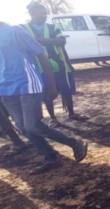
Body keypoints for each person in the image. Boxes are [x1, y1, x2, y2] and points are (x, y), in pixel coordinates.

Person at [0, 21, 88, 174]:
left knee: (32, 125)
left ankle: (74, 143)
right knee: (23, 127)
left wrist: (51, 83)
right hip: (6, 88)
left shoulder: (15, 31)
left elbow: (41, 55)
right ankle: (52, 158)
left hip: (27, 83)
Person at [24, 2, 88, 127]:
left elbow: (62, 41)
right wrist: (51, 42)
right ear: (32, 13)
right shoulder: (23, 28)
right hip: (38, 67)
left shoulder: (52, 27)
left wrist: (37, 41)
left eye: (45, 14)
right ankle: (53, 118)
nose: (44, 16)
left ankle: (71, 112)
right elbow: (26, 44)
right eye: (41, 13)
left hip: (59, 64)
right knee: (47, 92)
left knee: (66, 89)